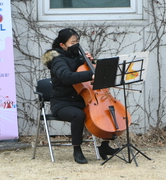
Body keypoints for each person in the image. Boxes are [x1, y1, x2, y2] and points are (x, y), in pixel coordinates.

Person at [41, 28, 119, 164]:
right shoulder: (57, 60)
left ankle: (105, 147)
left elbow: (84, 72)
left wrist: (89, 62)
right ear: (62, 45)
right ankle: (77, 149)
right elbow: (67, 76)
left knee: (106, 111)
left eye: (77, 41)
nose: (76, 44)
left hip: (81, 100)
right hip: (62, 103)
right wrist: (90, 74)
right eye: (73, 42)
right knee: (78, 115)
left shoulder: (77, 57)